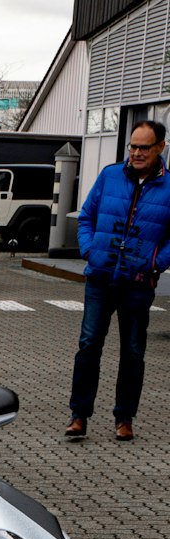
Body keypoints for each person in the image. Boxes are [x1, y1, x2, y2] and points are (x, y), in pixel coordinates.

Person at [65, 119, 170, 443]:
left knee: (133, 352)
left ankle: (124, 418)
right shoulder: (110, 175)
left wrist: (154, 262)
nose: (136, 153)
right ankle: (79, 415)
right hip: (100, 278)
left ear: (160, 148)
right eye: (133, 146)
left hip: (138, 283)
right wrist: (89, 249)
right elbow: (86, 217)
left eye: (144, 147)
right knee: (88, 345)